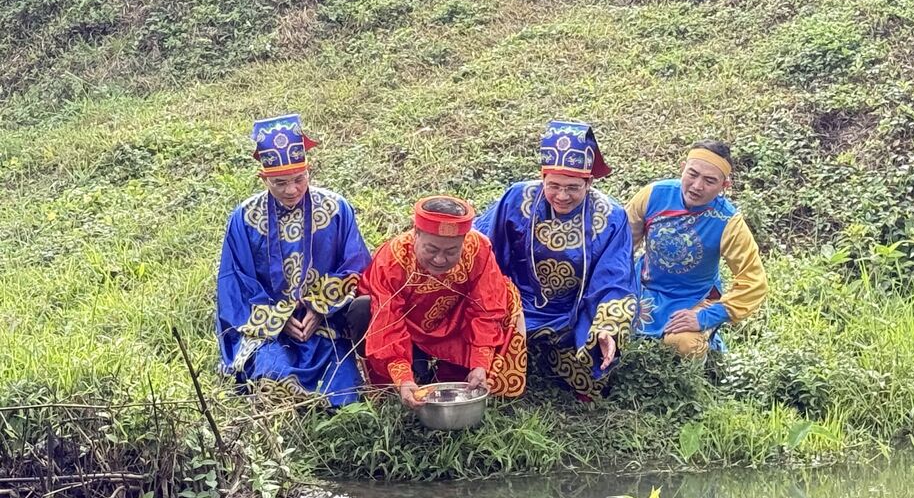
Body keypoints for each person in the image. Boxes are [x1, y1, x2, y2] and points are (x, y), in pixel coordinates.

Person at [475, 120, 637, 399]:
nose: (562, 196)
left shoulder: (610, 216)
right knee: (483, 370)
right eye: (553, 186)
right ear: (542, 178)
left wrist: (607, 327)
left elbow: (615, 279)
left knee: (592, 380)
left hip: (574, 313)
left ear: (589, 182)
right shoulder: (517, 199)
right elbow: (482, 247)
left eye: (573, 187)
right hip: (515, 307)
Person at [216, 114, 371, 406]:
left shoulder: (335, 209)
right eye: (280, 182)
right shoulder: (245, 218)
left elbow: (356, 265)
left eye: (299, 179)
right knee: (271, 377)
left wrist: (318, 308)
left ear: (309, 171)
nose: (291, 190)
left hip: (326, 322)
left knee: (344, 389)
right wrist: (280, 318)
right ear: (263, 178)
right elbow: (236, 283)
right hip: (269, 330)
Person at [357, 195, 527, 409]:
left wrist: (480, 363)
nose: (439, 259)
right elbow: (387, 323)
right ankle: (407, 374)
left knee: (506, 296)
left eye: (451, 251)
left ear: (464, 241)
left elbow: (486, 308)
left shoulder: (478, 249)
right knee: (361, 308)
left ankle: (455, 371)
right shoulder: (393, 260)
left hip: (452, 325)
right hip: (406, 330)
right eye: (431, 249)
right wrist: (403, 378)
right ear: (416, 233)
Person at [625, 140, 767, 360]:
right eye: (692, 174)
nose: (697, 186)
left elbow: (754, 281)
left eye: (710, 181)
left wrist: (706, 317)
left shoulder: (727, 221)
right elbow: (621, 245)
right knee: (605, 322)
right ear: (683, 168)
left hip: (694, 298)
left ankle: (701, 368)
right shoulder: (654, 195)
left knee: (683, 343)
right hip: (643, 285)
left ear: (724, 186)